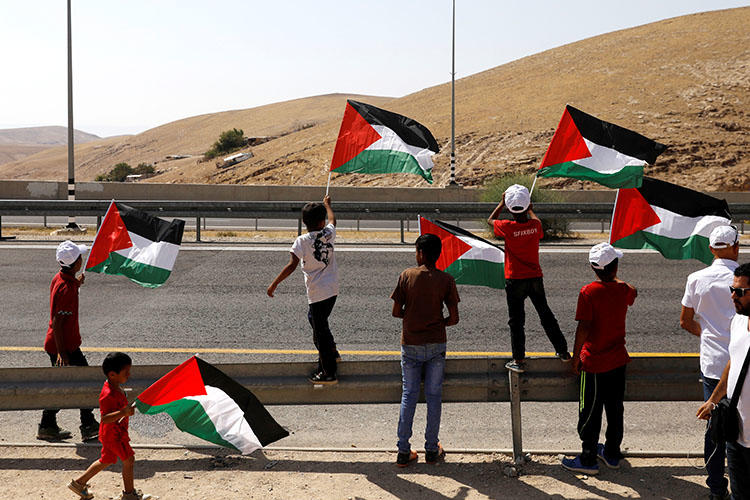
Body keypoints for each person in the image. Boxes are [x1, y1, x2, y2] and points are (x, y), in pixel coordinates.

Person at [562, 243, 637, 475]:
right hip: (617, 360)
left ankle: (588, 458)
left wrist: (575, 359)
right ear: (615, 267)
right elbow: (632, 291)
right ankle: (612, 453)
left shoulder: (588, 292)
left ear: (593, 268)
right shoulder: (624, 289)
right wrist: (615, 277)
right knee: (615, 410)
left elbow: (583, 327)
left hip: (593, 363)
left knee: (589, 411)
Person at [390, 233, 460, 467]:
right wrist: (437, 322)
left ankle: (403, 450)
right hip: (436, 344)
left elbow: (396, 312)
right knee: (433, 397)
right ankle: (431, 449)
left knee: (409, 395)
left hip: (410, 344)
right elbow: (454, 318)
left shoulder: (406, 276)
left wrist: (412, 316)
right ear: (438, 255)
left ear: (420, 253)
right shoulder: (447, 280)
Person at [681, 225, 739, 499]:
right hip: (744, 364)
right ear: (736, 247)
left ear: (711, 249)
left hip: (714, 365)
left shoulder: (696, 278)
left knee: (714, 427)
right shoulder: (744, 279)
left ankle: (717, 488)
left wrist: (708, 336)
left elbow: (685, 321)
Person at [487, 184, 570, 373]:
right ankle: (563, 351)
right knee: (546, 315)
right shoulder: (535, 226)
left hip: (515, 279)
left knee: (516, 321)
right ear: (528, 206)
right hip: (535, 278)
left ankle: (518, 360)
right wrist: (531, 209)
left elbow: (491, 220)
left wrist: (501, 203)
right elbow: (536, 221)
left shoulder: (507, 227)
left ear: (509, 208)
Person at [268, 195, 340, 384]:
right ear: (322, 221)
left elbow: (292, 265)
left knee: (319, 333)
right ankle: (332, 351)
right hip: (332, 290)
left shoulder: (301, 241)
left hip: (317, 293)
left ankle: (328, 372)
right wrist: (328, 205)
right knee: (318, 323)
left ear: (303, 222)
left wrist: (275, 283)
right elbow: (334, 220)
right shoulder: (328, 234)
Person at [68, 352, 154, 500]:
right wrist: (123, 412)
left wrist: (125, 411)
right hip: (115, 435)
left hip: (112, 434)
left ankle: (79, 483)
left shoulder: (115, 386)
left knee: (106, 459)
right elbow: (105, 418)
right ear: (113, 374)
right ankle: (129, 495)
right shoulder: (108, 394)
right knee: (129, 459)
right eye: (126, 372)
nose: (129, 374)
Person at [38, 240, 99, 442]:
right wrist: (62, 354)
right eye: (80, 257)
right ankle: (88, 425)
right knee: (84, 382)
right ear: (75, 264)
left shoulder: (63, 278)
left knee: (64, 384)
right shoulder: (66, 288)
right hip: (63, 347)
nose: (82, 259)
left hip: (61, 345)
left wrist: (77, 282)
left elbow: (65, 290)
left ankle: (48, 425)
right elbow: (57, 322)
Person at [698, 263, 750, 500]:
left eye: (740, 292)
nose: (732, 296)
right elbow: (733, 362)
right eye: (732, 289)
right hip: (737, 434)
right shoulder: (737, 322)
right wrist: (712, 400)